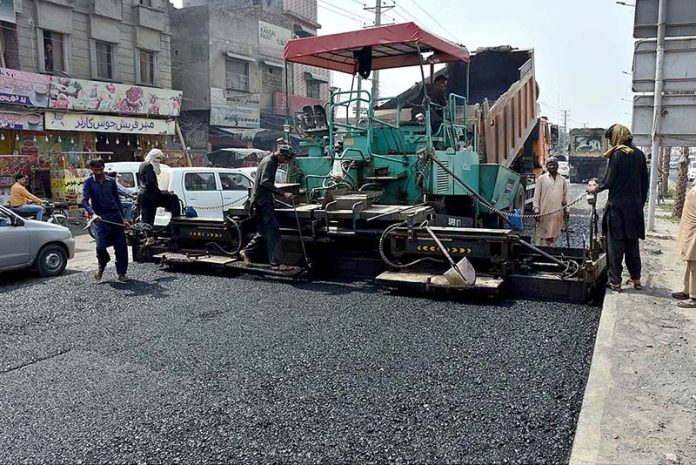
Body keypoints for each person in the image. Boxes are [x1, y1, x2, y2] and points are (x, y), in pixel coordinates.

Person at [587, 124, 649, 291]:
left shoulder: (618, 155)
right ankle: (636, 279)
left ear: (616, 137)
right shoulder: (640, 155)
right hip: (634, 211)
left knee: (615, 247)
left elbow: (608, 181)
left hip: (617, 211)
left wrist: (595, 188)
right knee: (632, 246)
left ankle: (615, 281)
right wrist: (638, 205)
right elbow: (645, 185)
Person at [239, 145, 295, 271]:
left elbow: (264, 182)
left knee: (264, 231)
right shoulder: (269, 162)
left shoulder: (271, 160)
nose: (285, 162)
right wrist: (283, 193)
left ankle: (246, 251)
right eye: (285, 159)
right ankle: (276, 263)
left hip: (263, 199)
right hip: (262, 202)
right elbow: (265, 182)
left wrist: (271, 195)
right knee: (273, 230)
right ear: (280, 155)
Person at [81, 158, 130, 283]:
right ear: (91, 169)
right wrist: (93, 214)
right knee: (101, 247)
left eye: (101, 169)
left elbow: (117, 200)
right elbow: (84, 201)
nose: (99, 172)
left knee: (121, 246)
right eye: (96, 169)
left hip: (115, 217)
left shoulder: (111, 182)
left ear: (104, 167)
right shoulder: (88, 183)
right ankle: (102, 265)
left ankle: (122, 273)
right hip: (100, 219)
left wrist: (123, 219)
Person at [137, 148, 181, 245]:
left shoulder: (143, 165)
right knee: (173, 199)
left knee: (148, 216)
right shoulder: (148, 165)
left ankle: (149, 236)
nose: (159, 161)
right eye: (158, 158)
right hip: (149, 196)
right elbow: (151, 184)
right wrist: (162, 192)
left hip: (145, 195)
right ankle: (175, 225)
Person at [533, 157, 568, 247]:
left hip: (557, 214)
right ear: (546, 166)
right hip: (544, 213)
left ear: (557, 166)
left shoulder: (562, 180)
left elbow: (564, 198)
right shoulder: (541, 179)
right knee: (542, 237)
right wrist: (536, 209)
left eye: (554, 164)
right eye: (549, 165)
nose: (552, 166)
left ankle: (553, 255)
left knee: (554, 236)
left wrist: (566, 211)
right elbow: (537, 196)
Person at [673, 184, 696, 308]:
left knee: (694, 266)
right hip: (690, 232)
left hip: (694, 234)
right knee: (690, 264)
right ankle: (687, 290)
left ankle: (694, 297)